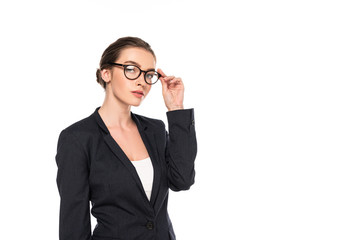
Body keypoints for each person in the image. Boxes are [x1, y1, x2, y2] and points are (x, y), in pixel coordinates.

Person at [55, 36, 197, 240]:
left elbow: (182, 181)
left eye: (149, 74)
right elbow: (73, 225)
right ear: (106, 73)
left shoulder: (155, 130)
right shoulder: (77, 139)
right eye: (131, 69)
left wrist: (176, 109)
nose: (142, 81)